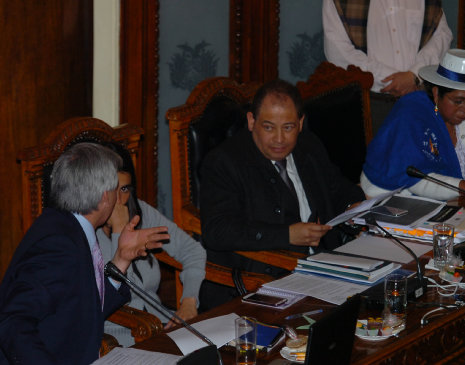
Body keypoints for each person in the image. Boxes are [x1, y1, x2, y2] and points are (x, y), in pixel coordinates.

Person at [199, 79, 365, 308]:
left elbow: (336, 186)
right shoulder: (224, 162)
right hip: (260, 280)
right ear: (251, 121)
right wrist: (286, 234)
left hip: (324, 267)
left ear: (300, 123)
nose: (279, 139)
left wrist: (352, 206)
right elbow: (217, 231)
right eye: (268, 127)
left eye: (288, 127)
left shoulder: (308, 145)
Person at [0, 143, 169, 365]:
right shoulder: (57, 246)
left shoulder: (65, 225)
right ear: (104, 198)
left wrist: (121, 259)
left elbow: (82, 308)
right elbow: (13, 321)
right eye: (115, 189)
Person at [361, 49, 465, 201]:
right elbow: (416, 177)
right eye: (458, 101)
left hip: (444, 207)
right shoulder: (412, 115)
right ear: (437, 94)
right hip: (392, 205)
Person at [98, 143, 206, 347]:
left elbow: (193, 251)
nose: (119, 201)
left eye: (124, 189)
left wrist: (189, 301)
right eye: (112, 189)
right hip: (118, 338)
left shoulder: (140, 211)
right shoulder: (86, 228)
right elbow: (120, 295)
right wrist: (120, 234)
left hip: (161, 325)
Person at [322, 0, 453, 132]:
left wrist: (415, 74)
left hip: (419, 98)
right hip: (369, 104)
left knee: (422, 151)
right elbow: (337, 52)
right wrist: (391, 80)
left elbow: (442, 36)